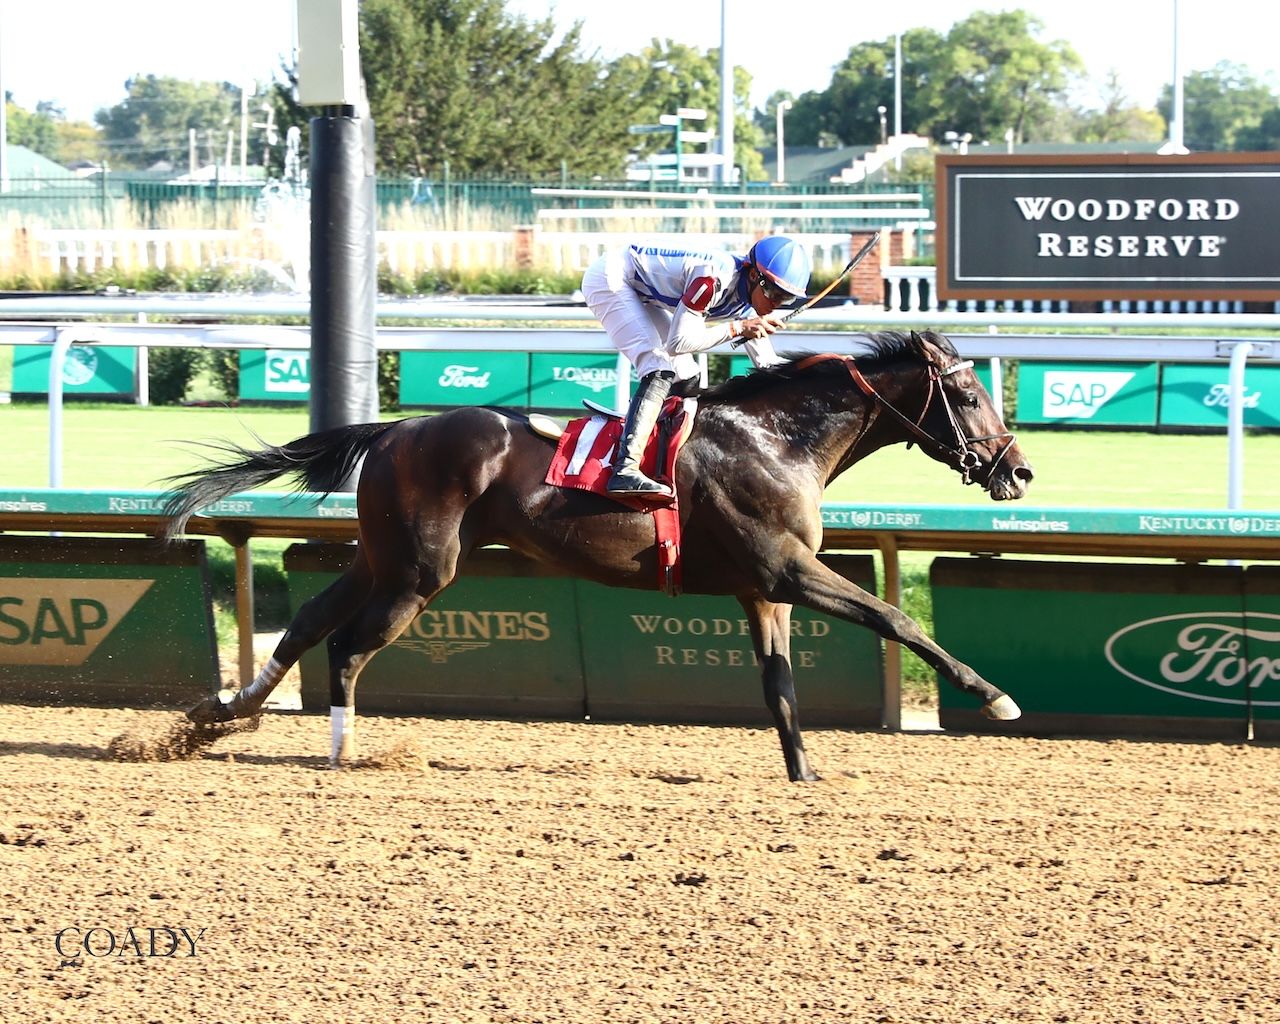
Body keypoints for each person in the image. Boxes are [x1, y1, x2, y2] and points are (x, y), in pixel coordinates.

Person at [581, 235, 812, 499]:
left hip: (639, 289)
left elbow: (767, 364)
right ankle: (625, 468)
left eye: (786, 300)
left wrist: (806, 375)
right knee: (659, 368)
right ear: (752, 277)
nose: (775, 304)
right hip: (611, 279)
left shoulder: (748, 301)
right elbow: (678, 343)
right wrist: (737, 329)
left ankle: (660, 458)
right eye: (774, 293)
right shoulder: (710, 279)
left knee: (687, 376)